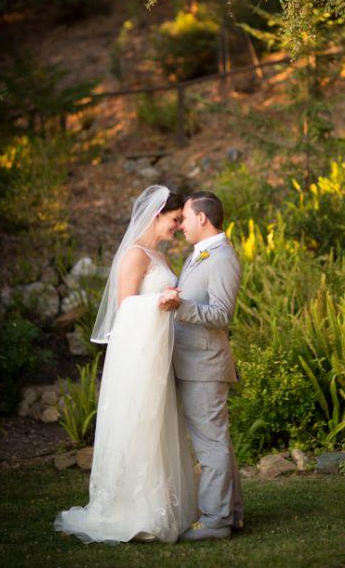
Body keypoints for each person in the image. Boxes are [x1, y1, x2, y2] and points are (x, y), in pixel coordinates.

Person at [54, 185, 197, 544]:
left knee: (159, 423)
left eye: (182, 221)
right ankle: (132, 509)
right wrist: (159, 303)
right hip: (136, 358)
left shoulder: (161, 257)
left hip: (157, 354)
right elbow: (125, 307)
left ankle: (164, 506)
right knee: (138, 423)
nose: (179, 227)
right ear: (157, 214)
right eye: (175, 219)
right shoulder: (136, 255)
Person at [161, 190, 244, 541]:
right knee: (215, 442)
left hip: (205, 366)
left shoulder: (222, 257)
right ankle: (232, 513)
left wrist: (180, 306)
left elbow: (222, 314)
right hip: (192, 363)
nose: (180, 225)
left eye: (184, 217)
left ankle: (215, 521)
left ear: (202, 218)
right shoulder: (202, 255)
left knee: (211, 445)